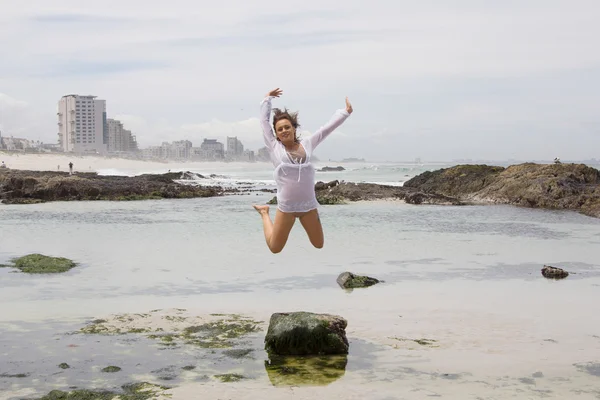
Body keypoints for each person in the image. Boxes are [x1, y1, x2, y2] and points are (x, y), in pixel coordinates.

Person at [253, 88, 353, 253]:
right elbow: (264, 123)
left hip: (308, 206)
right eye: (280, 129)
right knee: (275, 248)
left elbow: (325, 130)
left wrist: (345, 113)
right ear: (276, 134)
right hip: (287, 207)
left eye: (287, 127)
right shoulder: (274, 147)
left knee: (318, 244)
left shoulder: (307, 144)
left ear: (294, 128)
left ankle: (269, 213)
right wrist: (267, 100)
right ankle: (264, 213)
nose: (284, 131)